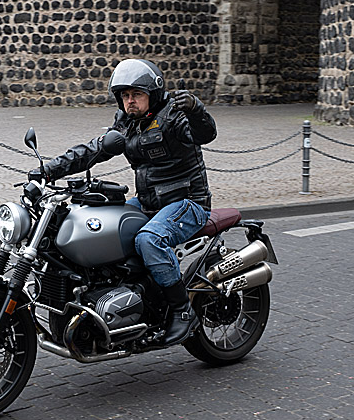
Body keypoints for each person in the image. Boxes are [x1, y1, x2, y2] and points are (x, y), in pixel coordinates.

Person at [29, 59, 217, 346]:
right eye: (125, 95)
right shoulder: (127, 122)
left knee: (149, 240)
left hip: (187, 201)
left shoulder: (175, 116)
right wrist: (49, 169)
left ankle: (182, 310)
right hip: (148, 201)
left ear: (152, 94)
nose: (130, 101)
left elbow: (205, 135)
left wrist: (196, 109)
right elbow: (94, 149)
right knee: (103, 230)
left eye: (137, 95)